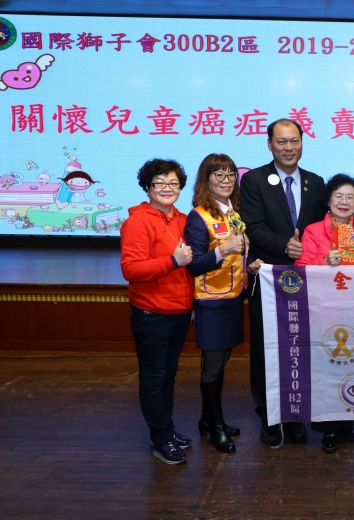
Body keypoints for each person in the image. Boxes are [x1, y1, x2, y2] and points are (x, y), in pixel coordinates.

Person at [240, 118, 325, 448]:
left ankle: (293, 415)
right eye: (281, 142)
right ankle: (269, 416)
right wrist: (283, 246)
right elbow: (253, 226)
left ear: (302, 142)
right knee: (266, 350)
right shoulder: (254, 180)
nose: (289, 148)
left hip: (306, 282)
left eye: (294, 141)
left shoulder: (316, 182)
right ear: (270, 144)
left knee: (300, 348)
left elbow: (319, 229)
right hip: (268, 277)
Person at [184, 153, 263, 453]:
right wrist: (223, 249)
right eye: (219, 175)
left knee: (222, 362)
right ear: (206, 180)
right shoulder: (199, 216)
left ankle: (209, 419)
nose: (226, 180)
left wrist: (249, 265)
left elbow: (237, 254)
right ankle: (214, 427)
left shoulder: (234, 213)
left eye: (230, 175)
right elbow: (194, 265)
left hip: (233, 298)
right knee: (213, 367)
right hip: (211, 302)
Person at [120, 159, 194, 465]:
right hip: (152, 313)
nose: (167, 188)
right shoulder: (138, 221)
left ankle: (167, 430)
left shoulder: (183, 219)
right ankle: (160, 439)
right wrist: (173, 261)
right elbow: (131, 269)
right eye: (160, 183)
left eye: (173, 183)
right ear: (147, 187)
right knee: (154, 378)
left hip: (180, 310)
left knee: (168, 375)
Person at [295, 174, 354, 453]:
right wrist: (324, 261)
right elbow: (301, 268)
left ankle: (346, 422)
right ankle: (327, 427)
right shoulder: (313, 230)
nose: (344, 201)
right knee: (328, 370)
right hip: (325, 312)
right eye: (338, 196)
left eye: (350, 197)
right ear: (328, 201)